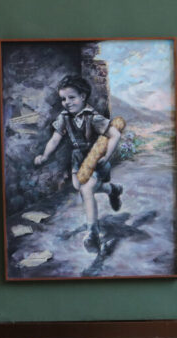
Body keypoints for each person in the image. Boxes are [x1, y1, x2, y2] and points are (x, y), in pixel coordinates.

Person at [34, 74, 124, 253]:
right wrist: (44, 156)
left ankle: (92, 232)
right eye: (63, 99)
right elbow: (55, 139)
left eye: (71, 97)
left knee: (87, 189)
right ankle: (112, 190)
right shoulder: (64, 117)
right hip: (77, 159)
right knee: (79, 186)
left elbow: (115, 134)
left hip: (94, 158)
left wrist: (105, 157)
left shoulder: (93, 117)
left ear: (83, 96)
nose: (67, 102)